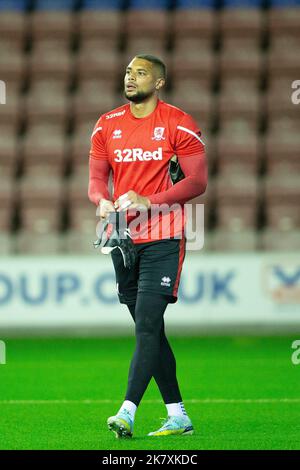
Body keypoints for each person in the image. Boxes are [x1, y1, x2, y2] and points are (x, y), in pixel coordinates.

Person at [88, 54, 207, 438]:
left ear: (158, 83)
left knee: (147, 327)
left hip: (164, 235)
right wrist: (101, 201)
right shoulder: (107, 125)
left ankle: (127, 411)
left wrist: (148, 201)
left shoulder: (178, 123)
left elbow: (197, 181)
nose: (130, 77)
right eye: (127, 71)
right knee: (150, 329)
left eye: (140, 73)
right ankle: (179, 416)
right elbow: (95, 180)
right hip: (124, 239)